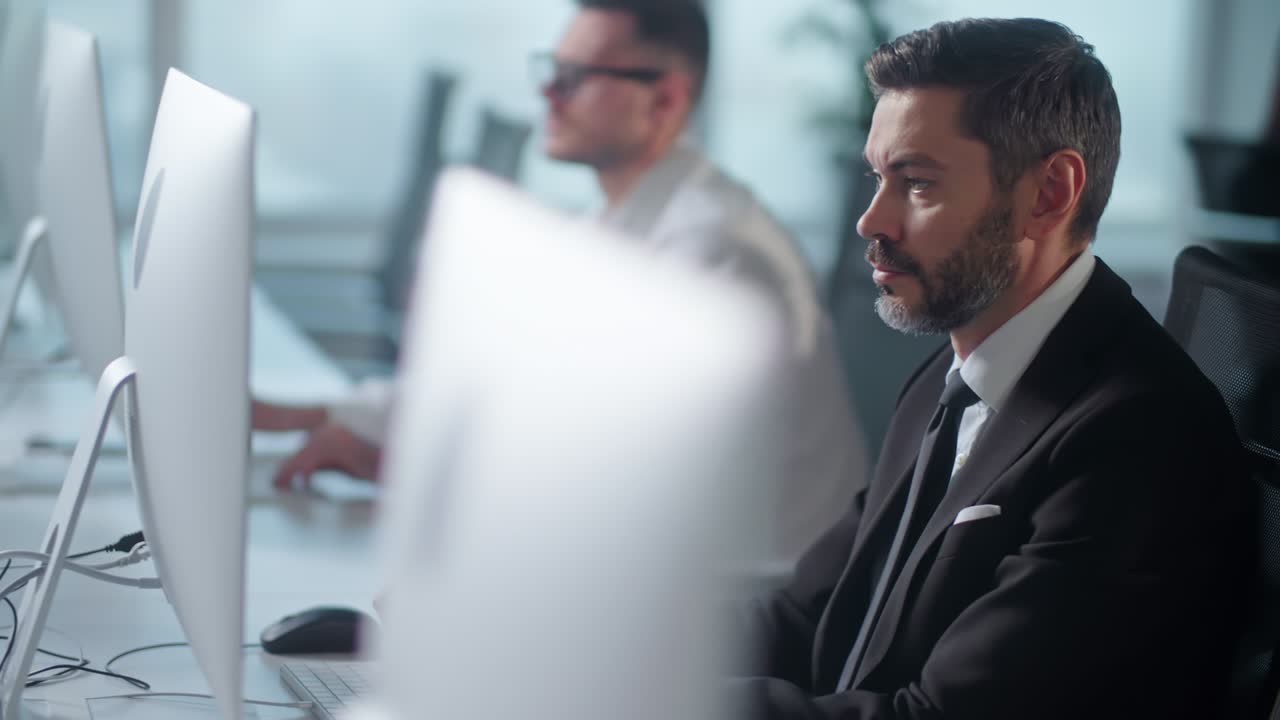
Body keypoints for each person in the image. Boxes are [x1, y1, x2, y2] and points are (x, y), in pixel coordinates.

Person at [726, 18, 1253, 719]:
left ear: (1049, 193)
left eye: (916, 183)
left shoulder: (1138, 439)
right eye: (877, 177)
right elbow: (806, 613)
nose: (871, 220)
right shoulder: (950, 385)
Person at [254, 0, 869, 570]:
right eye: (553, 68)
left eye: (578, 75)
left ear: (664, 102)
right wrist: (314, 414)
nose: (548, 91)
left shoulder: (713, 254)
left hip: (744, 612)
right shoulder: (626, 220)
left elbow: (601, 474)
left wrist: (406, 469)